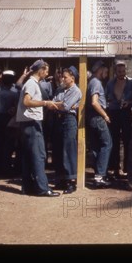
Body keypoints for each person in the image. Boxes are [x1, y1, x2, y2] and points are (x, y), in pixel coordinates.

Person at [15, 59, 60, 197]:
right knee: (39, 155)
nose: (47, 73)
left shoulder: (31, 83)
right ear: (40, 70)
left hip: (26, 123)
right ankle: (42, 188)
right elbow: (26, 101)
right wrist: (45, 103)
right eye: (46, 70)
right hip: (32, 122)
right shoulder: (31, 83)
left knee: (28, 156)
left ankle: (27, 187)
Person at [106, 60, 132, 178]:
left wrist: (129, 103)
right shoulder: (110, 83)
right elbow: (106, 98)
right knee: (114, 141)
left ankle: (127, 168)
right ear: (115, 71)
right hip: (114, 113)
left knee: (127, 141)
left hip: (126, 113)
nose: (121, 73)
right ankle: (115, 168)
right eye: (119, 71)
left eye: (123, 71)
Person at [51, 66, 82, 194]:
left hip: (69, 120)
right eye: (62, 77)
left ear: (72, 78)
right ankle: (61, 179)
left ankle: (71, 181)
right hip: (58, 120)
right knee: (58, 149)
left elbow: (65, 106)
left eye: (65, 77)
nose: (62, 79)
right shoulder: (59, 89)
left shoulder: (76, 91)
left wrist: (59, 104)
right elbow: (52, 104)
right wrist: (59, 104)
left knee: (68, 150)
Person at [86, 60, 113, 188]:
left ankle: (98, 174)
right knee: (107, 144)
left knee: (96, 146)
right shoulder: (96, 82)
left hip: (91, 118)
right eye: (105, 71)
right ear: (100, 70)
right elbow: (94, 102)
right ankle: (100, 175)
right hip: (98, 117)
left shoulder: (91, 82)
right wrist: (105, 115)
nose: (107, 74)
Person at [0, 70, 20, 175]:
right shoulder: (15, 95)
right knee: (8, 146)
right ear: (12, 82)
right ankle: (6, 168)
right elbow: (16, 110)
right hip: (9, 121)